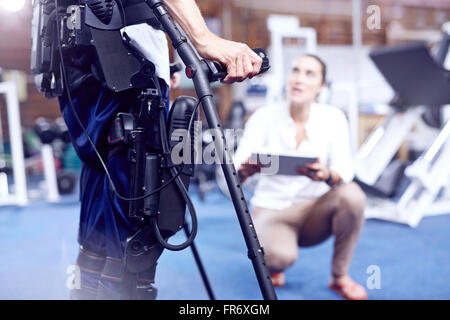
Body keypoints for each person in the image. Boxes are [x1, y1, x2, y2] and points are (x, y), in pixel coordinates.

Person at [59, 0, 262, 300]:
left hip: (77, 57)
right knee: (134, 211)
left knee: (103, 202)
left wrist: (161, 62)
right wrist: (203, 38)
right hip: (123, 54)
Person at [233, 54, 368, 300]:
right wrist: (245, 170)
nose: (299, 79)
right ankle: (275, 264)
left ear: (322, 86)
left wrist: (327, 175)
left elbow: (344, 171)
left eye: (309, 74)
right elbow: (232, 174)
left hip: (314, 211)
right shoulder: (263, 116)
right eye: (295, 71)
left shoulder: (334, 117)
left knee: (353, 196)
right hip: (271, 209)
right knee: (278, 257)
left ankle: (339, 277)